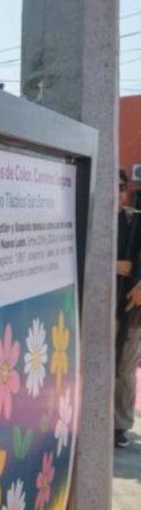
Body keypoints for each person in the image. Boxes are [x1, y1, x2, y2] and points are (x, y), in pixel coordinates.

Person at [116, 169, 141, 448]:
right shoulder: (90, 218)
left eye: (121, 186)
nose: (117, 192)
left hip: (132, 308)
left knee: (125, 368)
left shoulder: (135, 221)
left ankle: (120, 425)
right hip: (98, 310)